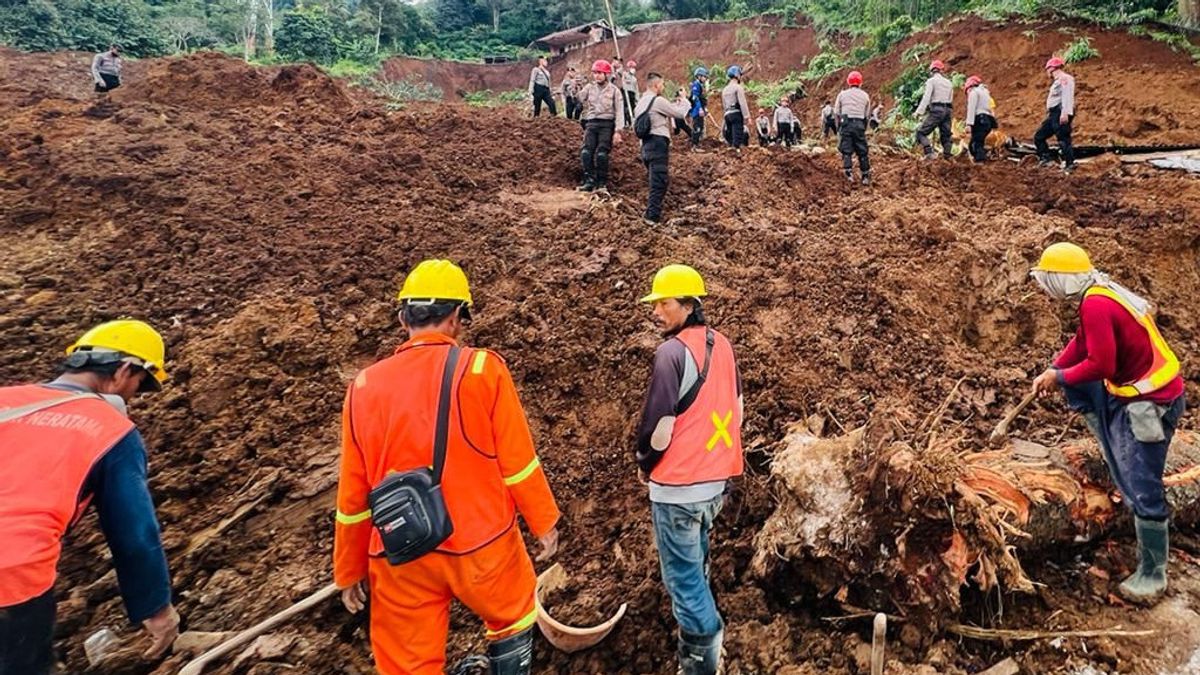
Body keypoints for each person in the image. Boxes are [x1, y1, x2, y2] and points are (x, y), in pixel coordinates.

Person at [334, 260, 561, 675]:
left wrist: (348, 569)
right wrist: (543, 522)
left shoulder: (363, 388)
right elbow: (517, 462)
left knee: (407, 663)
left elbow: (353, 492)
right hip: (482, 544)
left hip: (402, 552)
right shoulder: (480, 369)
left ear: (404, 317)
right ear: (457, 318)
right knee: (512, 615)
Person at [0, 320, 180, 675]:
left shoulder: (5, 399)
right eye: (139, 386)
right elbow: (135, 534)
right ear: (125, 370)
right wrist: (156, 608)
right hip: (11, 576)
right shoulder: (111, 430)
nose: (133, 397)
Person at [1029, 242, 1186, 605]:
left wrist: (1061, 379)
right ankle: (1126, 478)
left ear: (1061, 281)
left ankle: (1152, 573)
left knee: (1141, 483)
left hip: (1152, 404)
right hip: (1147, 394)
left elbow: (1101, 364)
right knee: (1131, 470)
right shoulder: (1097, 294)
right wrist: (1055, 368)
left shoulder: (1096, 304)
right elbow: (1082, 342)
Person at [635, 264, 744, 675]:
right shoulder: (724, 345)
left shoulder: (671, 353)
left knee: (682, 579)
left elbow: (659, 427)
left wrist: (645, 463)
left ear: (688, 305)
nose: (657, 311)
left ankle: (703, 656)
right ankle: (707, 637)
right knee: (696, 562)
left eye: (664, 303)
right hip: (716, 483)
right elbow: (737, 411)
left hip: (679, 486)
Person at [633, 73, 691, 225]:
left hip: (645, 146)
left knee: (657, 181)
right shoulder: (657, 100)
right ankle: (651, 217)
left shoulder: (640, 103)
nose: (663, 87)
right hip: (657, 144)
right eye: (663, 85)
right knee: (659, 182)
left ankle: (652, 213)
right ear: (656, 85)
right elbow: (679, 114)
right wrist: (684, 99)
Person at [576, 60, 626, 195]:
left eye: (599, 73)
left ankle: (601, 183)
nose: (597, 76)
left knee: (602, 154)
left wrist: (618, 131)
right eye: (595, 73)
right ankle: (589, 181)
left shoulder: (614, 91)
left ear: (606, 74)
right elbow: (579, 98)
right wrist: (576, 88)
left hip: (607, 124)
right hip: (591, 122)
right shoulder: (589, 88)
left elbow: (619, 111)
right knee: (586, 152)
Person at [1035, 56, 1077, 173]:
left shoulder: (1065, 79)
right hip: (1053, 114)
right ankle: (1046, 159)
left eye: (1048, 69)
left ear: (1052, 68)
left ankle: (1070, 163)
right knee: (1039, 136)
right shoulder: (1057, 81)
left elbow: (1067, 96)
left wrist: (1065, 113)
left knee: (1063, 139)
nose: (1047, 72)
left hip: (1060, 112)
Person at [835, 70, 871, 185]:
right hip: (859, 124)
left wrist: (838, 128)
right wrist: (863, 128)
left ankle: (848, 174)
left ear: (848, 82)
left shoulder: (842, 94)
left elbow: (837, 113)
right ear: (860, 83)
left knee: (846, 150)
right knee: (862, 151)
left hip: (846, 123)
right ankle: (865, 175)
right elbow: (867, 115)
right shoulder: (865, 95)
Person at [914, 60, 953, 160]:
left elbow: (926, 97)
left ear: (932, 71)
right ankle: (947, 156)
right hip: (948, 110)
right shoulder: (949, 82)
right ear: (942, 70)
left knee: (921, 133)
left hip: (937, 110)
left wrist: (919, 112)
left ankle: (929, 153)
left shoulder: (931, 81)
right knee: (946, 135)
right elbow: (950, 98)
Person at [963, 75, 997, 163]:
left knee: (975, 144)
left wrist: (969, 124)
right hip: (988, 121)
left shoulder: (974, 93)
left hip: (980, 119)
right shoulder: (985, 93)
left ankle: (980, 162)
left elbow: (971, 108)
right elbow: (990, 110)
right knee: (978, 141)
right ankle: (983, 157)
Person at [721, 66, 750, 149]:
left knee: (731, 136)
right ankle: (735, 150)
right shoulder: (738, 87)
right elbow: (742, 103)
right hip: (736, 114)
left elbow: (724, 105)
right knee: (737, 136)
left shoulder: (725, 89)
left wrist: (725, 116)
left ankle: (731, 151)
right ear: (737, 75)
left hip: (727, 114)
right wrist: (747, 116)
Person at [687, 67, 709, 149]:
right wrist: (700, 108)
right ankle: (694, 146)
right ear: (699, 76)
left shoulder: (701, 86)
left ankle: (697, 144)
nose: (705, 78)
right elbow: (695, 98)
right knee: (697, 127)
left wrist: (704, 108)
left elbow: (702, 99)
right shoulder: (696, 85)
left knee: (701, 126)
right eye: (704, 76)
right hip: (696, 111)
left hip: (700, 109)